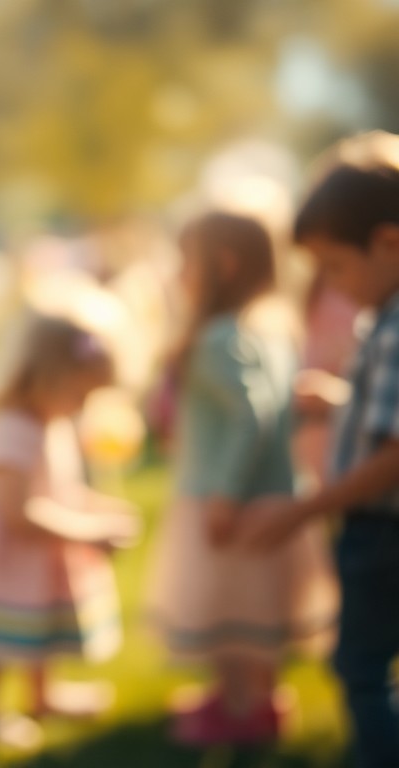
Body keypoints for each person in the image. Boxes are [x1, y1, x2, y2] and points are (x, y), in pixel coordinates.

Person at [147, 211, 337, 746]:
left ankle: (239, 707)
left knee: (226, 609)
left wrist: (224, 494)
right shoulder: (272, 331)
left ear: (223, 265)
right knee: (260, 607)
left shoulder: (216, 338)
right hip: (275, 496)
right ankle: (261, 698)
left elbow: (250, 416)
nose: (178, 273)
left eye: (186, 261)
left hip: (226, 501)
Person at [239, 132, 399, 768]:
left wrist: (305, 510)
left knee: (360, 663)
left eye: (335, 266)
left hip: (382, 530)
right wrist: (340, 402)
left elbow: (393, 455)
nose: (332, 286)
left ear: (389, 243)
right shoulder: (382, 318)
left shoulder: (395, 327)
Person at [0, 313, 138, 747]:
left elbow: (60, 487)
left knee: (42, 623)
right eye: (81, 395)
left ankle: (44, 695)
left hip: (42, 550)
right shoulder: (14, 427)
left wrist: (98, 508)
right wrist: (88, 533)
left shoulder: (53, 421)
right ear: (50, 377)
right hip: (6, 556)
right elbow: (18, 512)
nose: (84, 408)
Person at [295, 272, 361, 490]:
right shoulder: (313, 290)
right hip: (312, 439)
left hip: (352, 446)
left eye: (336, 266)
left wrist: (335, 392)